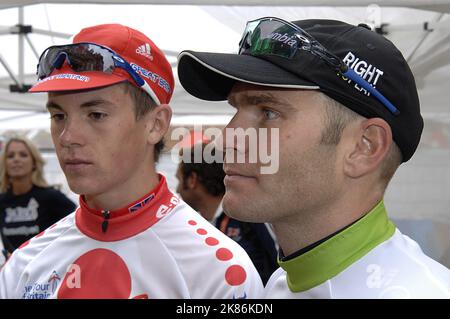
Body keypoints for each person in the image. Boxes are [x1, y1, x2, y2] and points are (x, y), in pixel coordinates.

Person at [177, 17, 450, 298]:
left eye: (269, 112)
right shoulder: (281, 282)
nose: (227, 139)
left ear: (364, 147)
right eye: (236, 109)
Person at [0, 23, 263, 299]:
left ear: (156, 125)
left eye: (96, 115)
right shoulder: (24, 265)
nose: (68, 137)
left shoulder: (220, 271)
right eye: (59, 116)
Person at [176, 142, 278, 284]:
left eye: (179, 180)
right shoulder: (194, 227)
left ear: (192, 180)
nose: (177, 189)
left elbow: (282, 266)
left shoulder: (249, 214)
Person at [0, 136, 76, 254]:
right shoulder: (2, 201)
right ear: (5, 163)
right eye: (10, 156)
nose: (16, 159)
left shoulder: (51, 197)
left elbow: (76, 226)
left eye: (23, 155)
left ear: (34, 162)